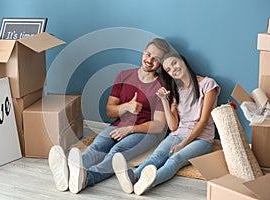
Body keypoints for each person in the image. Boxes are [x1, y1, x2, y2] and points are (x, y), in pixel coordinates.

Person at [48, 38, 172, 194]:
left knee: (117, 152)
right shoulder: (124, 76)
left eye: (156, 59)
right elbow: (110, 111)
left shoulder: (161, 86)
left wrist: (130, 129)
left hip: (145, 131)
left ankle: (87, 178)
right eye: (148, 54)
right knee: (97, 145)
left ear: (160, 63)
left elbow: (160, 125)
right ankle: (67, 171)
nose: (150, 60)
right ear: (143, 53)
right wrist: (126, 106)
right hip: (118, 126)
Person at [112, 52, 221, 195]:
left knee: (174, 159)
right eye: (168, 70)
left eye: (174, 63)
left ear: (183, 61)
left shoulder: (208, 84)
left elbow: (203, 121)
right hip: (178, 134)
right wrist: (164, 100)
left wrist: (183, 144)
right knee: (156, 157)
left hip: (201, 139)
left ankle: (148, 182)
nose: (173, 69)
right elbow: (173, 126)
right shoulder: (177, 91)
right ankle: (133, 177)